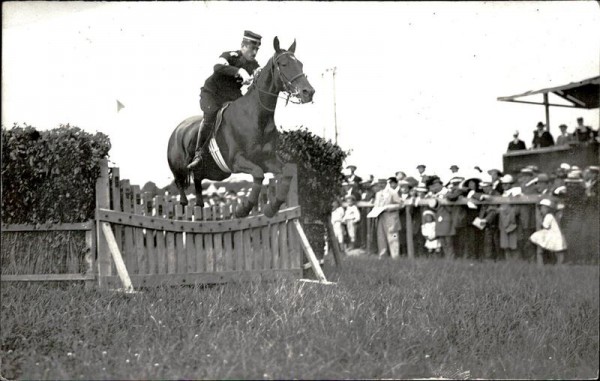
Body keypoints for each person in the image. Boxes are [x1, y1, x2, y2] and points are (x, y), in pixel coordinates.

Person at [188, 30, 263, 169]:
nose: (254, 53)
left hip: (232, 95)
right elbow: (217, 67)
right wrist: (239, 71)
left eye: (257, 49)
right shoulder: (229, 56)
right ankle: (199, 153)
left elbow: (262, 76)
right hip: (212, 94)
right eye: (252, 48)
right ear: (243, 46)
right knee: (211, 115)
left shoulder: (254, 64)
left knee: (248, 113)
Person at [529, 198, 567, 265]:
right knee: (557, 251)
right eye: (541, 208)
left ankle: (559, 264)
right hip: (554, 234)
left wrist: (540, 220)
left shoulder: (549, 216)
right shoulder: (550, 216)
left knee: (558, 251)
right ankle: (558, 264)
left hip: (554, 235)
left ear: (547, 209)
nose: (542, 210)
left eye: (543, 208)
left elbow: (545, 226)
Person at [373, 177, 404, 259]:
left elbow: (400, 205)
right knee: (381, 236)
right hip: (381, 216)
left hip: (391, 217)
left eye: (382, 183)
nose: (380, 185)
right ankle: (383, 254)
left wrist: (388, 207)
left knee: (393, 236)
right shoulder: (378, 194)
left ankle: (395, 256)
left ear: (386, 183)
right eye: (379, 183)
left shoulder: (392, 192)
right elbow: (376, 205)